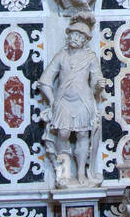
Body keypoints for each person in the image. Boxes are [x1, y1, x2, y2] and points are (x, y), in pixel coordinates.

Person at [37, 19, 106, 185]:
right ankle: (65, 171)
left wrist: (98, 85)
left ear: (85, 40)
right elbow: (45, 80)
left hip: (83, 100)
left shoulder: (90, 57)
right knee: (63, 134)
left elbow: (97, 80)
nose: (76, 38)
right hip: (63, 101)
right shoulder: (61, 56)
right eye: (73, 34)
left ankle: (81, 172)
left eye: (80, 36)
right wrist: (53, 101)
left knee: (83, 134)